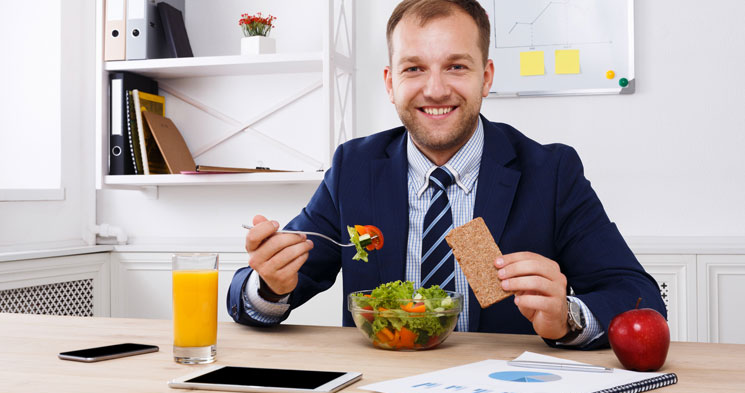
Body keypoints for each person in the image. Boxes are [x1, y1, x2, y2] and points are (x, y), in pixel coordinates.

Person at [227, 0, 666, 350]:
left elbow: (638, 296)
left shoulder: (551, 172)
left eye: (456, 66)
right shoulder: (354, 169)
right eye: (414, 68)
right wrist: (269, 283)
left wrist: (567, 316)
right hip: (381, 392)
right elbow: (260, 297)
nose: (435, 89)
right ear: (390, 81)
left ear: (486, 77)